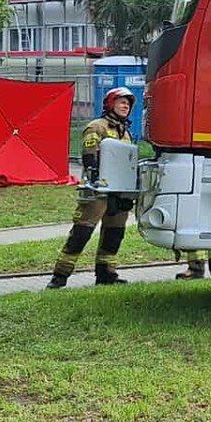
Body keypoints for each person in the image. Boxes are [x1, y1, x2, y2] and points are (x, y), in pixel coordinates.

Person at [47, 87, 137, 289]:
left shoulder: (125, 131)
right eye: (121, 101)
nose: (126, 106)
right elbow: (90, 156)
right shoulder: (97, 127)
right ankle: (59, 277)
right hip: (98, 191)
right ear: (109, 104)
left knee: (115, 234)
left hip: (119, 191)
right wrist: (96, 178)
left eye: (128, 103)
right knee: (82, 233)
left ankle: (106, 274)